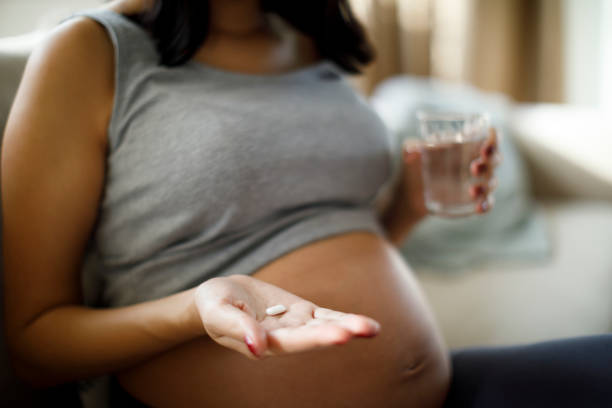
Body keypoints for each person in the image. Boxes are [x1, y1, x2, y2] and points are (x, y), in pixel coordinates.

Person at [2, 0, 502, 407]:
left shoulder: (310, 42)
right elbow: (33, 344)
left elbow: (323, 238)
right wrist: (196, 309)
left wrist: (407, 208)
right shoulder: (92, 50)